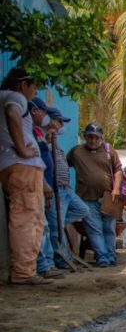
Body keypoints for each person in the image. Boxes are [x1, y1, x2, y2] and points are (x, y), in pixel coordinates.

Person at [0, 67, 49, 285]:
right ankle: (24, 272)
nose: (35, 91)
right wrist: (22, 149)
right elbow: (12, 112)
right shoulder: (15, 97)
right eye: (34, 86)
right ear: (22, 84)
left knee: (20, 217)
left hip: (10, 165)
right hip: (22, 165)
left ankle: (21, 269)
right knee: (28, 219)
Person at [66, 122, 123, 267]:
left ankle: (111, 256)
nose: (93, 140)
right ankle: (102, 257)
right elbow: (64, 165)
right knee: (94, 229)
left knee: (109, 229)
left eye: (97, 138)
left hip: (109, 198)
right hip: (86, 198)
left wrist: (116, 188)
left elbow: (118, 171)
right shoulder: (76, 152)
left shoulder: (109, 151)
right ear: (85, 137)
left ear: (101, 139)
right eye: (90, 137)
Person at [46, 106, 89, 270]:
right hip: (56, 189)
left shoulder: (54, 141)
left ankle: (57, 225)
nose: (61, 125)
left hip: (66, 189)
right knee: (56, 226)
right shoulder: (44, 140)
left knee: (83, 210)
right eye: (59, 122)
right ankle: (61, 259)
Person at [28, 98, 62, 279]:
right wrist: (45, 185)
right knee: (42, 227)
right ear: (34, 111)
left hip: (46, 188)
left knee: (47, 227)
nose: (47, 117)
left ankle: (47, 263)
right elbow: (35, 163)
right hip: (38, 186)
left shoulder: (39, 135)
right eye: (44, 113)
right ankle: (44, 265)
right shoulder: (31, 133)